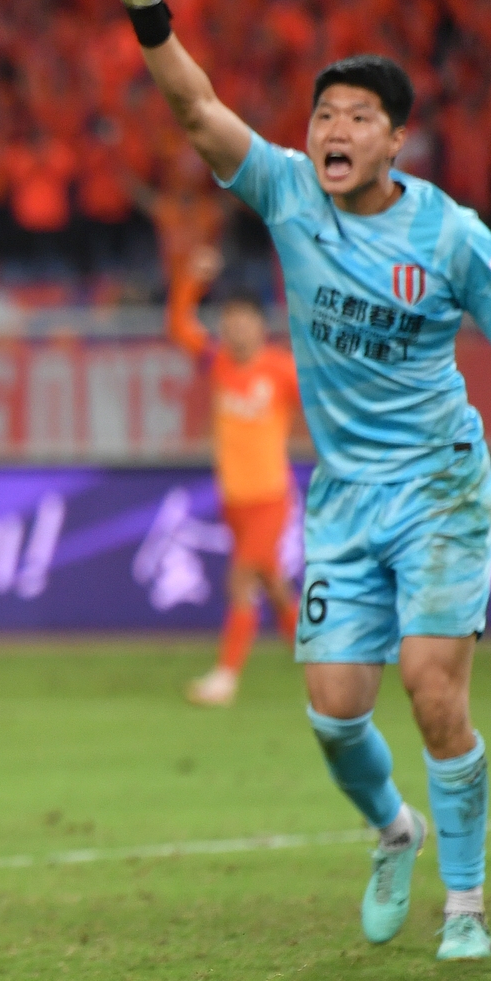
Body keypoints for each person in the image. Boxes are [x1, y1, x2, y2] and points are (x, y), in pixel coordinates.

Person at [112, 0, 491, 961]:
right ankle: (393, 830)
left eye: (352, 117)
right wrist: (149, 14)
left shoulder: (451, 234)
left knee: (432, 689)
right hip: (339, 496)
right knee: (335, 713)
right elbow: (197, 112)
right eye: (320, 113)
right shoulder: (289, 193)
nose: (329, 131)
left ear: (394, 137)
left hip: (435, 484)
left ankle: (464, 905)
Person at [164, 245, 303, 707]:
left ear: (261, 325)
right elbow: (179, 327)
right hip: (234, 500)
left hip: (270, 497)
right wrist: (191, 281)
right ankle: (316, 656)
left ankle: (225, 677)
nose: (236, 326)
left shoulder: (281, 370)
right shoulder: (218, 362)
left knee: (240, 580)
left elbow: (323, 410)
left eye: (245, 318)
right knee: (274, 585)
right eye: (230, 318)